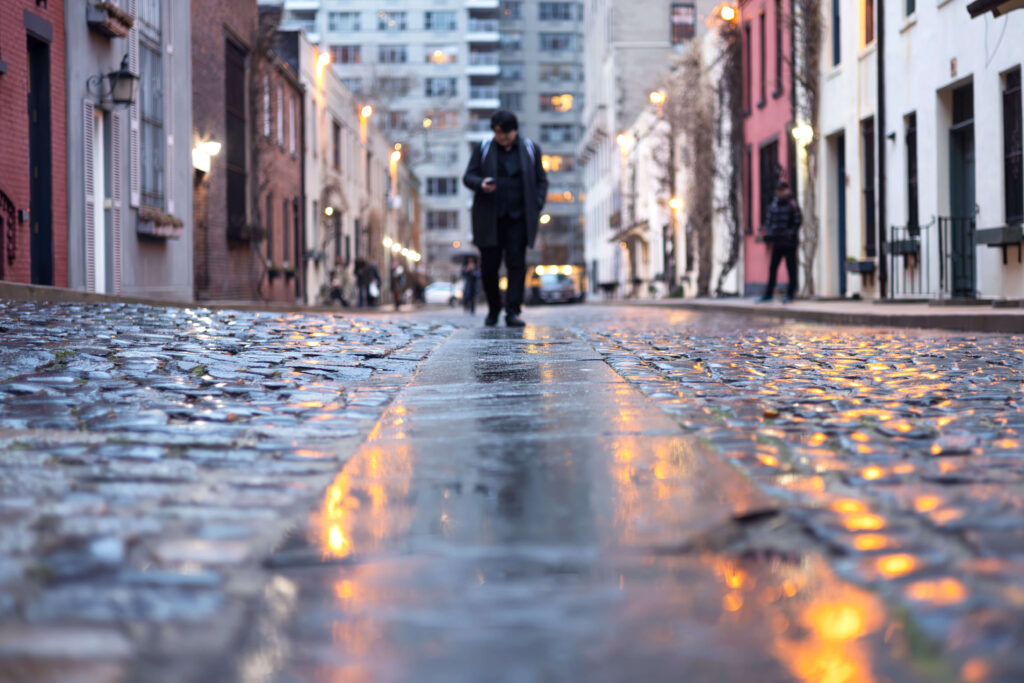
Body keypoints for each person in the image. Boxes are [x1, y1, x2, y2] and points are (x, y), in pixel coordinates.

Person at [463, 110, 549, 327]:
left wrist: (537, 203)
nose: (501, 137)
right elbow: (468, 176)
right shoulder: (483, 149)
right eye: (498, 133)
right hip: (490, 219)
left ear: (515, 130)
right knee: (489, 267)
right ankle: (493, 308)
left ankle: (513, 311)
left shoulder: (530, 149)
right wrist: (481, 183)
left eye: (506, 133)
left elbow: (541, 180)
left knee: (516, 264)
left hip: (519, 219)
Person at [757, 180, 802, 303]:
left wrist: (790, 233)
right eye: (778, 191)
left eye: (782, 190)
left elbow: (797, 221)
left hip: (789, 243)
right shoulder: (773, 205)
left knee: (791, 268)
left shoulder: (792, 205)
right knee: (773, 268)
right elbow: (769, 221)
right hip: (777, 242)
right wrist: (770, 233)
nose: (780, 193)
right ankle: (768, 294)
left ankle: (790, 294)